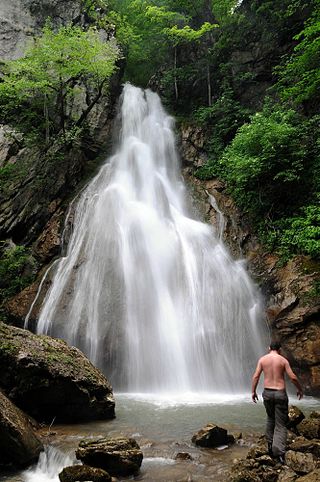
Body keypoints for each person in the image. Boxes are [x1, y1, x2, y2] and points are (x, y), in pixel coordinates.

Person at [251, 341, 303, 463]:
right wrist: (300, 389)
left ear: (269, 348)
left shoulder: (262, 360)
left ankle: (269, 445)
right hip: (280, 393)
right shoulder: (283, 360)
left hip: (267, 393)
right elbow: (293, 377)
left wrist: (253, 391)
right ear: (280, 349)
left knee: (270, 418)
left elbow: (256, 376)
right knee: (281, 424)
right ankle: (279, 452)